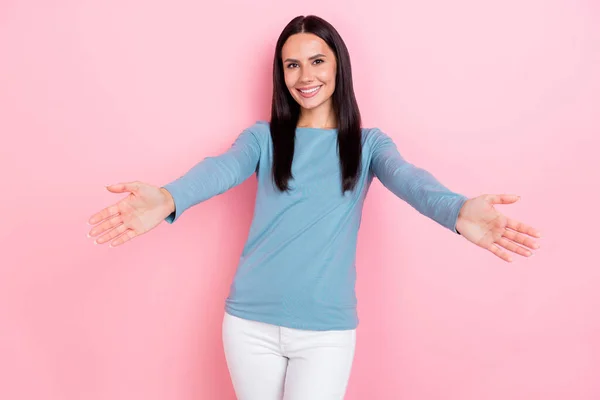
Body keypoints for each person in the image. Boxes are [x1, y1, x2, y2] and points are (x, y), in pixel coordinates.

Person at [87, 14, 541, 400]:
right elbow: (219, 170)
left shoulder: (367, 146)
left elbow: (412, 182)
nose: (305, 76)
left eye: (317, 61)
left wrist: (458, 211)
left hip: (325, 331)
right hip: (249, 324)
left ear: (339, 66)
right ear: (281, 75)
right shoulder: (262, 139)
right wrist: (169, 197)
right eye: (292, 65)